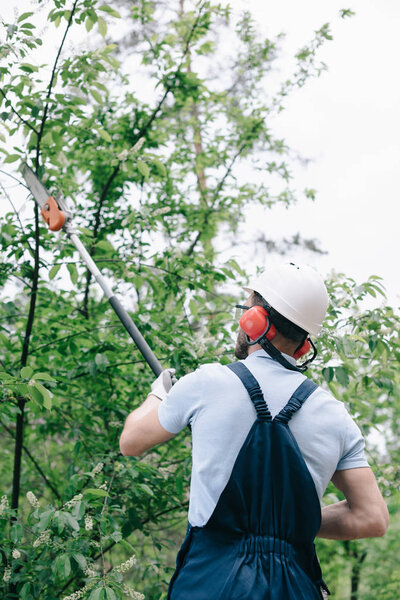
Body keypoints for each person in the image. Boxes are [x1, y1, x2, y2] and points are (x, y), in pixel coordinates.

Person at [119, 263, 389, 599]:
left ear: (255, 321)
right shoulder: (335, 416)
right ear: (304, 345)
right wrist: (293, 523)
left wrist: (158, 394)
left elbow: (130, 441)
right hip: (295, 586)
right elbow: (372, 519)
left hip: (211, 581)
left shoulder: (206, 383)